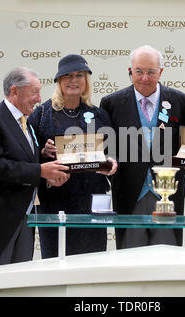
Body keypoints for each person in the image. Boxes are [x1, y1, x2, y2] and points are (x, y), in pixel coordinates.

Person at [100, 45, 185, 249]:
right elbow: (106, 146)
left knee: (167, 256)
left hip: (169, 197)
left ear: (161, 72)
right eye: (139, 71)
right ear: (130, 71)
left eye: (151, 72)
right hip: (129, 193)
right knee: (129, 258)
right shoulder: (111, 103)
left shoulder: (182, 102)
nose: (145, 77)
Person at [0, 67, 70, 267]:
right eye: (34, 92)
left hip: (26, 217)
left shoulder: (26, 123)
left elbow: (23, 160)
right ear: (14, 91)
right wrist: (40, 171)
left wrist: (46, 167)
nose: (39, 99)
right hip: (1, 220)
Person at [28, 54, 117, 258]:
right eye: (67, 76)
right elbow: (26, 156)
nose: (73, 80)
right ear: (59, 81)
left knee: (92, 263)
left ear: (86, 81)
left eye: (79, 75)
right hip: (54, 203)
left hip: (91, 204)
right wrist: (43, 152)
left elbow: (112, 152)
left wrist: (111, 163)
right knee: (55, 262)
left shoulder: (99, 114)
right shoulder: (41, 114)